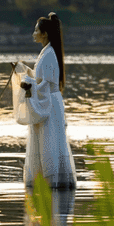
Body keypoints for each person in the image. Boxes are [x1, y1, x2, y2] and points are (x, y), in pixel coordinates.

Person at [14, 12, 76, 189]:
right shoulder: (46, 52)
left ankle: (51, 181)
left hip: (51, 104)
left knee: (50, 141)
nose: (33, 34)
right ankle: (45, 180)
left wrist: (28, 84)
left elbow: (45, 85)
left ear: (45, 33)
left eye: (36, 31)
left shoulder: (49, 54)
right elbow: (41, 80)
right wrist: (26, 72)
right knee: (46, 140)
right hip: (49, 101)